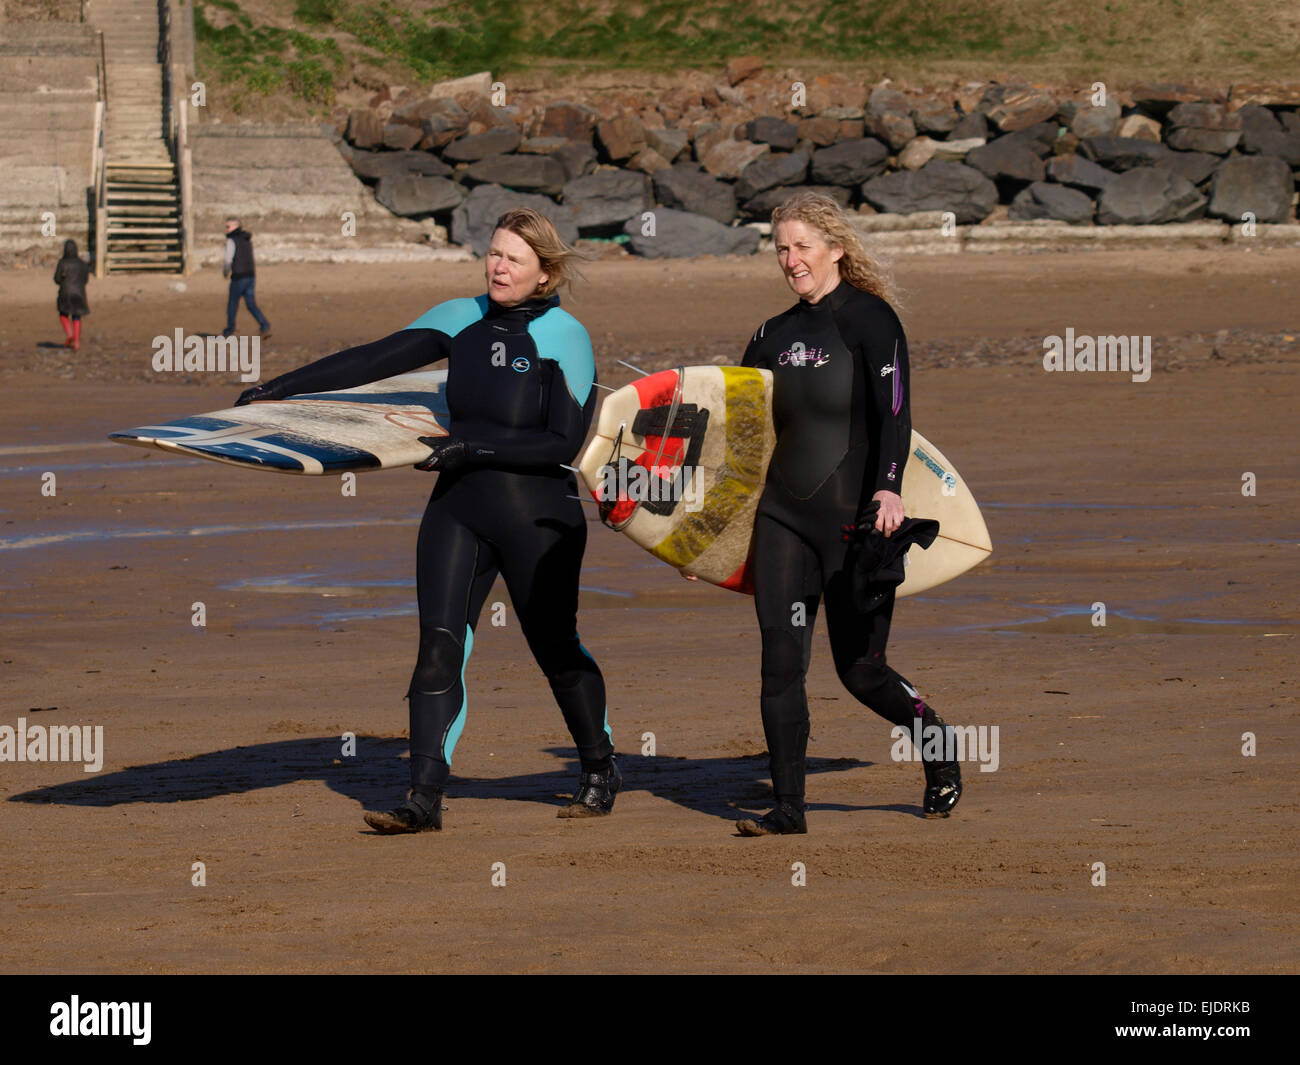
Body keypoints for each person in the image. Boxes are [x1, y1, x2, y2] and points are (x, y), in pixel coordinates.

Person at [235, 208, 617, 833]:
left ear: (544, 274)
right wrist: (280, 388)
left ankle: (599, 765)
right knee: (438, 648)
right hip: (458, 507)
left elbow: (562, 443)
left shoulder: (564, 337)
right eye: (493, 253)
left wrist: (474, 450)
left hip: (538, 517)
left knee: (553, 647)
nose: (498, 266)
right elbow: (370, 360)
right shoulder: (458, 318)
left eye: (514, 259)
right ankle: (423, 796)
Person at [733, 190, 962, 836]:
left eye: (802, 245)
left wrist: (889, 488)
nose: (791, 259)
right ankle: (787, 808)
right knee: (780, 660)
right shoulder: (768, 336)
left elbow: (896, 413)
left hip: (856, 519)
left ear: (835, 248)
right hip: (783, 517)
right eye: (781, 248)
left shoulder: (871, 320)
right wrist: (710, 539)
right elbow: (744, 439)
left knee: (861, 670)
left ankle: (938, 746)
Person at [223, 217, 271, 339]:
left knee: (232, 304)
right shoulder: (246, 239)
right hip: (251, 276)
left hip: (239, 277)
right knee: (250, 304)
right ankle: (264, 325)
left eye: (228, 226)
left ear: (236, 226)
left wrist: (225, 272)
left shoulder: (231, 240)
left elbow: (228, 259)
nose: (226, 229)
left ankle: (230, 329)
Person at [53, 239, 90, 351]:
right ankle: (77, 342)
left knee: (63, 314)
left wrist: (63, 281)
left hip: (65, 292)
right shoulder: (82, 264)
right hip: (79, 293)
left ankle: (70, 334)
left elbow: (57, 279)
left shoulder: (62, 263)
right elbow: (85, 279)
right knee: (76, 315)